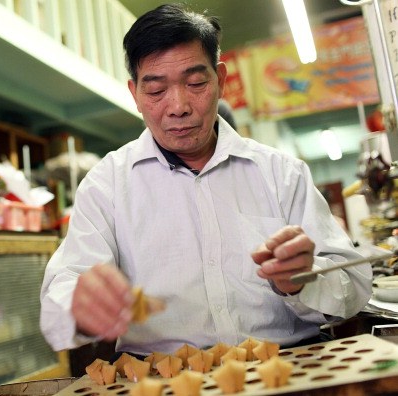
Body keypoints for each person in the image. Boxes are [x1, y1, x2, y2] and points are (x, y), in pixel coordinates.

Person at [39, 3, 372, 357]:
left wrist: (302, 281)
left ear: (221, 81)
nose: (179, 105)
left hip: (287, 367)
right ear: (135, 94)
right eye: (155, 91)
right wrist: (82, 305)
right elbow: (58, 302)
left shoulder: (281, 173)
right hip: (163, 379)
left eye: (195, 82)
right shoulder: (107, 186)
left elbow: (353, 285)